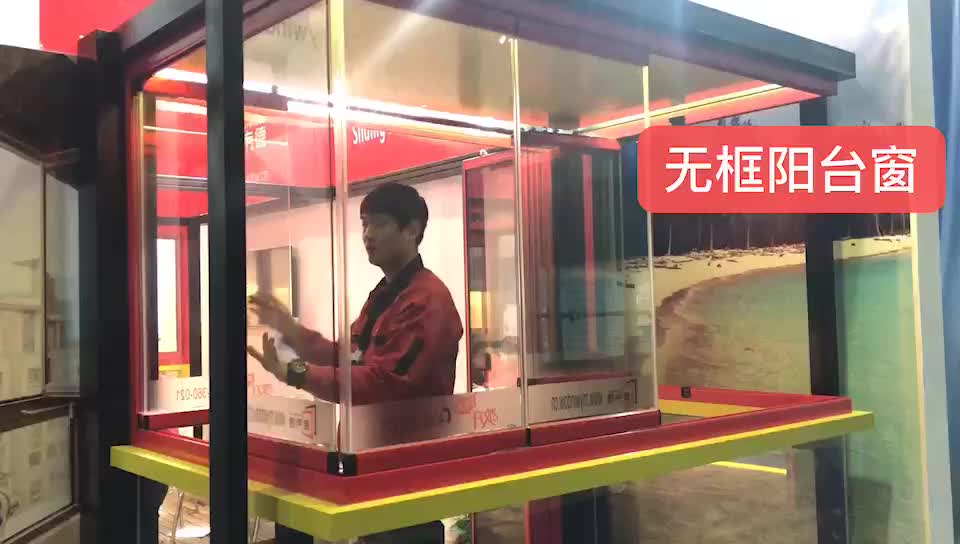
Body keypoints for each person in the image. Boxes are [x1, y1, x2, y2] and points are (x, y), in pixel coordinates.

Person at [247, 182, 462, 544]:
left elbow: (383, 383)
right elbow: (348, 357)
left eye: (379, 223)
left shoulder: (428, 301)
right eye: (364, 224)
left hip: (404, 474)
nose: (367, 235)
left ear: (412, 230)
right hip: (374, 468)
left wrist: (296, 373)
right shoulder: (385, 294)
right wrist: (291, 330)